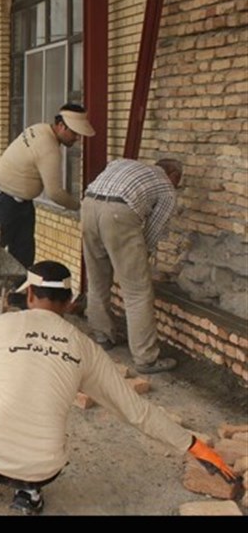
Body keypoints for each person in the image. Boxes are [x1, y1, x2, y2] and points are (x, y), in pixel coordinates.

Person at [0, 260, 236, 516]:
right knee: (46, 428)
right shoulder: (85, 348)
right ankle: (28, 494)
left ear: (29, 294)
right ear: (70, 302)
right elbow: (137, 412)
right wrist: (194, 446)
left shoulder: (1, 324)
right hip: (45, 465)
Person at [81, 158, 183, 374]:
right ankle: (146, 358)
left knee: (97, 279)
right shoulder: (166, 187)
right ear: (172, 174)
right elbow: (153, 231)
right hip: (118, 214)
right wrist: (136, 260)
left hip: (88, 206)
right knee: (138, 292)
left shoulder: (124, 164)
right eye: (178, 181)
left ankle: (102, 336)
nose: (177, 186)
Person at [0, 103, 95, 268]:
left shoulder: (39, 128)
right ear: (61, 126)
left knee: (23, 255)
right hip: (1, 198)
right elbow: (55, 193)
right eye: (74, 133)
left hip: (19, 201)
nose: (77, 139)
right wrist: (79, 206)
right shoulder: (48, 148)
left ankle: (18, 293)